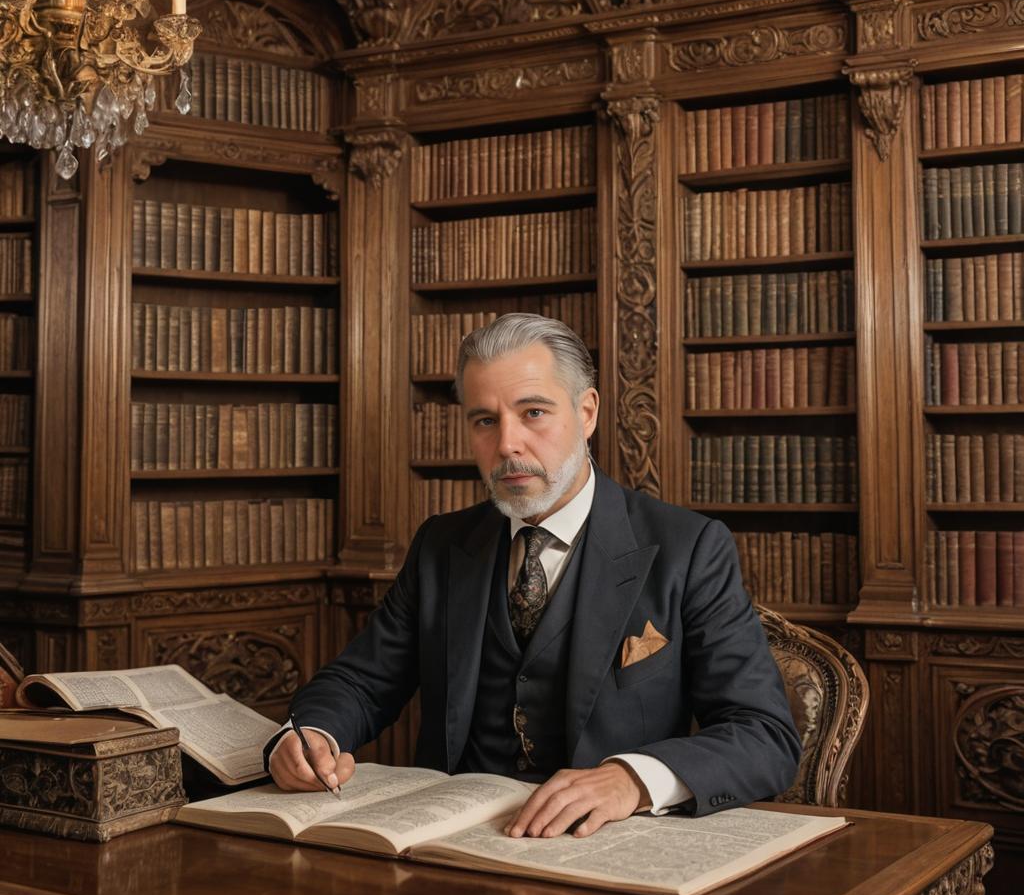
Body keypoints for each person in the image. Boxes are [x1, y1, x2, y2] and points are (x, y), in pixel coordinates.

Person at [267, 313, 800, 838]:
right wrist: (312, 732)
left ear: (586, 411)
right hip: (449, 846)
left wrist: (630, 780)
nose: (507, 444)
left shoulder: (690, 548)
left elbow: (764, 735)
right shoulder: (441, 544)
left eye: (534, 413)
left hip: (605, 850)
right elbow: (362, 681)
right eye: (484, 420)